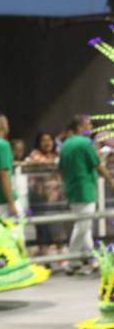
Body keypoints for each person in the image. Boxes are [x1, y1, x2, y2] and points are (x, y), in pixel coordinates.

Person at [59, 115, 114, 275]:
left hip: (72, 188)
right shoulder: (85, 143)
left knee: (85, 225)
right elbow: (97, 164)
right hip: (85, 188)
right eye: (88, 124)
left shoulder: (66, 144)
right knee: (82, 226)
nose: (91, 126)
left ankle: (91, 258)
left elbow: (60, 168)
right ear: (80, 127)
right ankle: (71, 261)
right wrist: (111, 181)